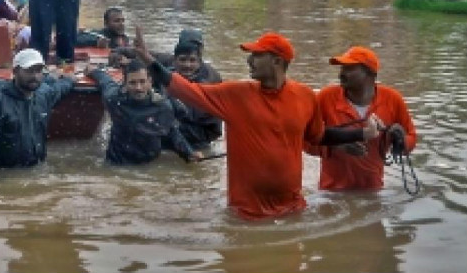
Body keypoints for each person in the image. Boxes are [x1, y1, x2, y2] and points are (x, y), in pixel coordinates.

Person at [131, 29, 381, 220]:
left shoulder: (305, 96)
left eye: (257, 55)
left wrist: (361, 133)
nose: (249, 61)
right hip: (246, 213)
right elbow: (187, 90)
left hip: (294, 208)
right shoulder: (235, 94)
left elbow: (317, 136)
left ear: (277, 61)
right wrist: (149, 60)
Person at [307, 46, 417, 191]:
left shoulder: (393, 99)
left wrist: (400, 141)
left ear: (369, 73)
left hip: (373, 190)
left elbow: (411, 137)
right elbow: (303, 139)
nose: (341, 74)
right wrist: (336, 146)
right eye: (341, 69)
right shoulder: (325, 97)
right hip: (331, 192)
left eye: (349, 69)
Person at [0, 48, 75, 188]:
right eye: (29, 71)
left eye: (39, 71)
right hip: (5, 177)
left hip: (37, 173)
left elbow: (59, 89)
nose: (35, 76)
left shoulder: (43, 95)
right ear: (15, 71)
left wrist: (70, 80)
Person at [87, 60, 201, 165]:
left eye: (142, 82)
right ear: (125, 84)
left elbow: (172, 133)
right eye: (132, 83)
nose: (138, 88)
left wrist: (189, 153)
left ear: (150, 82)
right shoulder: (114, 99)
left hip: (148, 165)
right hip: (116, 164)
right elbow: (106, 82)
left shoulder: (162, 106)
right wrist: (93, 71)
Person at [165, 29, 223, 150]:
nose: (187, 65)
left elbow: (188, 113)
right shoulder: (170, 72)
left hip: (200, 133)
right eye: (183, 60)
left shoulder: (208, 80)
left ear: (199, 59)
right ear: (175, 60)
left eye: (192, 60)